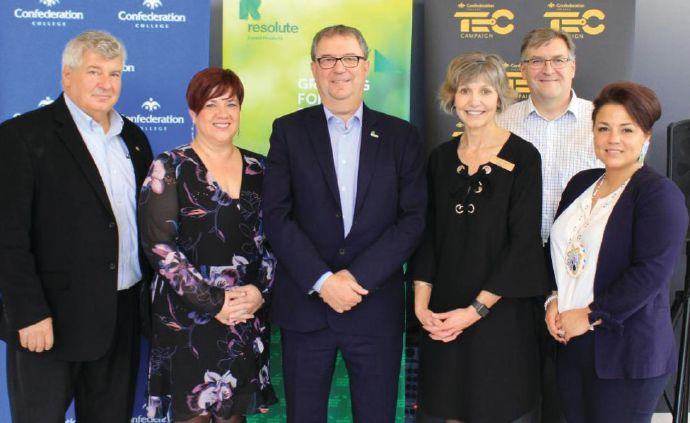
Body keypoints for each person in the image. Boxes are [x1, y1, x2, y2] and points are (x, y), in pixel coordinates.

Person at [262, 25, 426, 422]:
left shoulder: (401, 136)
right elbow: (277, 216)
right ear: (314, 68)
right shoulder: (288, 131)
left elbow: (412, 218)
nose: (339, 68)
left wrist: (356, 278)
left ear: (366, 66)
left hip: (375, 308)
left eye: (350, 58)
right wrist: (323, 281)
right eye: (328, 59)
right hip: (307, 308)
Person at [0, 31, 153, 422]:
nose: (106, 83)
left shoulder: (133, 138)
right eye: (94, 71)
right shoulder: (22, 136)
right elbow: (8, 236)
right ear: (67, 75)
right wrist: (28, 313)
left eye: (114, 74)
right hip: (49, 321)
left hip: (120, 318)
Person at [411, 52, 549, 423]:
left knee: (493, 409)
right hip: (443, 312)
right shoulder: (440, 159)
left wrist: (475, 311)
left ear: (500, 97)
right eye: (465, 90)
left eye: (485, 91)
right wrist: (422, 309)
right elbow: (428, 238)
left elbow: (523, 244)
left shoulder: (524, 157)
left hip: (499, 310)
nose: (475, 101)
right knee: (448, 408)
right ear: (452, 96)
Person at [138, 67, 277, 423]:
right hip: (188, 319)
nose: (222, 113)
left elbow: (276, 239)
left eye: (231, 104)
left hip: (244, 314)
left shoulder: (261, 169)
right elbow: (160, 246)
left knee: (234, 415)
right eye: (211, 104)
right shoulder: (170, 167)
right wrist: (213, 302)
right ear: (193, 112)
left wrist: (259, 292)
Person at [546, 81, 688, 423]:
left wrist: (590, 314)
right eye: (604, 128)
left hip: (626, 353)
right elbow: (557, 251)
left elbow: (650, 273)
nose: (613, 139)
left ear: (646, 136)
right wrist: (552, 299)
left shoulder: (659, 194)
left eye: (627, 129)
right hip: (571, 344)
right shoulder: (581, 183)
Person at [497, 28, 602, 422]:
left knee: (570, 392)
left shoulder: (602, 121)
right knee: (518, 384)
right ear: (523, 69)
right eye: (536, 61)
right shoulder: (502, 122)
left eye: (558, 60)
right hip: (518, 266)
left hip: (583, 271)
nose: (548, 69)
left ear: (572, 66)